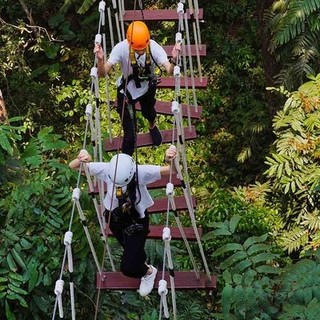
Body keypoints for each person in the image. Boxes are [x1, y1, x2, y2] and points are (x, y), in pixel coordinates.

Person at [69, 146, 177, 296]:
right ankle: (141, 261)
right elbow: (73, 166)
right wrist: (83, 157)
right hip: (114, 218)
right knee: (129, 247)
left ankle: (148, 272)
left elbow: (172, 171)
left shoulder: (141, 172)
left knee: (128, 267)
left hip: (136, 221)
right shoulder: (107, 169)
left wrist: (169, 159)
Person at [94, 20, 180, 156]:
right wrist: (100, 60)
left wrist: (174, 60)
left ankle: (152, 126)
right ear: (129, 42)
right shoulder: (121, 48)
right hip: (126, 91)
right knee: (129, 134)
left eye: (142, 47)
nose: (140, 50)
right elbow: (102, 73)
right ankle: (125, 162)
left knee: (149, 112)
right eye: (136, 48)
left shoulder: (153, 47)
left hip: (147, 88)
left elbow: (169, 69)